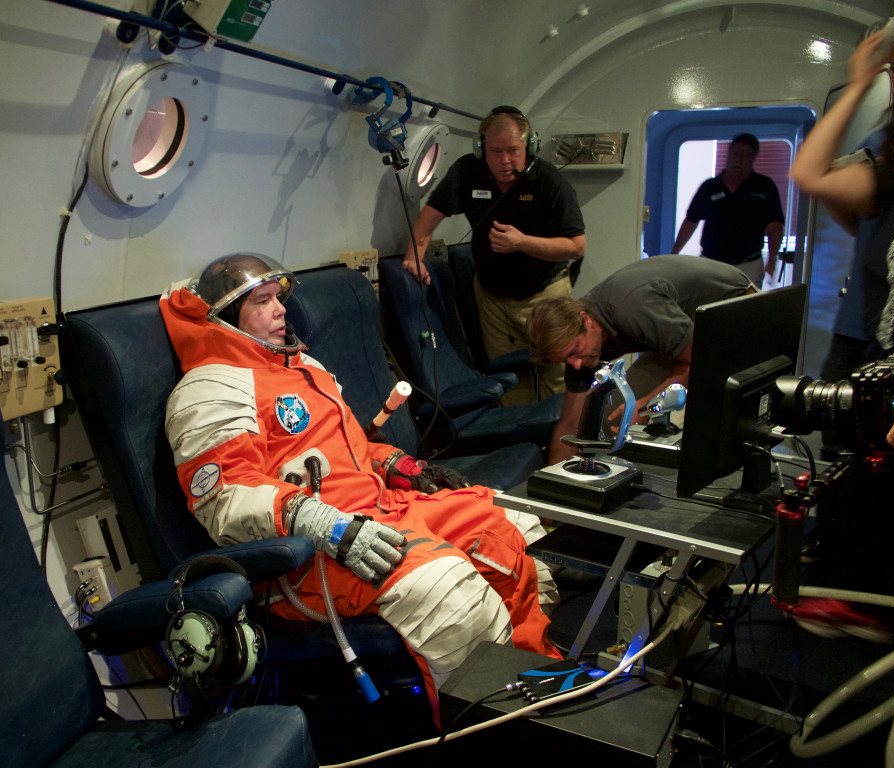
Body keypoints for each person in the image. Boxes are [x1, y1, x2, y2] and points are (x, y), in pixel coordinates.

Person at [159, 252, 561, 719]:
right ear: (227, 318)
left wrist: (398, 464)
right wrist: (318, 520)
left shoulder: (300, 366)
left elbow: (350, 451)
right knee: (448, 590)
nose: (280, 310)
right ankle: (490, 728)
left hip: (380, 510)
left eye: (279, 298)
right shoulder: (209, 389)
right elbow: (224, 497)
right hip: (315, 553)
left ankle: (540, 685)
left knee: (512, 527)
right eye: (262, 302)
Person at [401, 106, 586, 405]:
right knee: (510, 379)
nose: (504, 160)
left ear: (530, 146)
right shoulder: (466, 172)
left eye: (513, 150)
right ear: (480, 148)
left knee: (555, 374)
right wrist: (414, 259)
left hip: (545, 294)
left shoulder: (549, 181)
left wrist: (522, 243)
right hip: (491, 299)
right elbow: (427, 222)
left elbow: (576, 246)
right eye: (495, 151)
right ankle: (523, 445)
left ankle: (561, 444)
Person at [525, 254, 755, 462]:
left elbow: (701, 356)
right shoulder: (576, 341)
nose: (574, 364)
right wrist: (552, 487)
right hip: (687, 329)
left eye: (574, 352)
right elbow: (570, 424)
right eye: (566, 360)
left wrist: (645, 405)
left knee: (644, 415)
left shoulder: (631, 308)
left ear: (585, 320)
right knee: (611, 415)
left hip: (737, 309)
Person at [813, 26, 894, 462]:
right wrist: (859, 85)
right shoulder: (883, 145)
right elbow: (815, 178)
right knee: (839, 438)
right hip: (862, 329)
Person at [671, 132, 785, 285]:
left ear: (753, 159)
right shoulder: (710, 187)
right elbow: (691, 221)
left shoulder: (765, 187)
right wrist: (674, 253)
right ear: (729, 154)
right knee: (707, 306)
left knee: (746, 307)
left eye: (746, 156)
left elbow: (775, 227)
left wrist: (772, 259)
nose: (739, 160)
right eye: (736, 154)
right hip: (710, 264)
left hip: (749, 266)